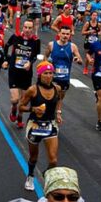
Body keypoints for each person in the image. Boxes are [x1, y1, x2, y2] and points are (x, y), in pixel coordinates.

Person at [18, 62, 62, 192]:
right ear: (40, 75)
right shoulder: (33, 89)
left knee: (53, 160)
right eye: (45, 73)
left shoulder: (57, 88)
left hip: (50, 125)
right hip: (35, 125)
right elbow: (21, 106)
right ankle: (30, 176)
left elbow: (59, 100)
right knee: (33, 157)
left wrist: (58, 113)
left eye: (50, 73)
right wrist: (33, 109)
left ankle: (47, 175)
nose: (48, 76)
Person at [4, 20, 40, 129]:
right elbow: (6, 46)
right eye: (25, 27)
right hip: (14, 72)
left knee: (23, 100)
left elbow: (35, 55)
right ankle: (13, 108)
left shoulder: (36, 41)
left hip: (26, 74)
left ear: (33, 29)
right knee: (15, 99)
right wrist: (7, 60)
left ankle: (20, 118)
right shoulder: (16, 37)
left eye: (30, 28)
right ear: (22, 28)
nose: (27, 30)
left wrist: (30, 62)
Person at [44, 26, 83, 101]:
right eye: (63, 33)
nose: (65, 36)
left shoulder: (73, 47)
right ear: (59, 34)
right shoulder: (51, 45)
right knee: (50, 96)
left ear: (70, 35)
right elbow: (45, 56)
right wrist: (47, 67)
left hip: (65, 78)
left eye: (67, 34)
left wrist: (77, 60)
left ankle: (57, 110)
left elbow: (80, 60)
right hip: (52, 76)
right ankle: (54, 111)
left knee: (60, 97)